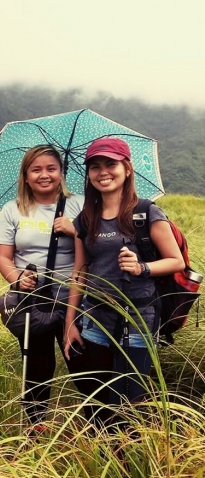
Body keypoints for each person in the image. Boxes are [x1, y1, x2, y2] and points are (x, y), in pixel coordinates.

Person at [63, 138, 184, 425]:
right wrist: (70, 323)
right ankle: (103, 455)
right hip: (96, 321)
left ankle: (130, 458)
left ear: (126, 168)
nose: (103, 172)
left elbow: (175, 261)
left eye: (110, 164)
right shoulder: (85, 219)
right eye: (95, 167)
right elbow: (80, 271)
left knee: (129, 400)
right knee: (100, 399)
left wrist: (141, 267)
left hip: (139, 318)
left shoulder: (145, 212)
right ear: (89, 175)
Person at [0, 144, 86, 429]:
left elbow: (96, 246)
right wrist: (17, 279)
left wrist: (75, 229)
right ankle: (34, 428)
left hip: (73, 296)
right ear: (26, 175)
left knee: (81, 360)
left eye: (51, 168)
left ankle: (100, 427)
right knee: (36, 365)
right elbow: (3, 256)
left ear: (61, 172)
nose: (44, 175)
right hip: (32, 297)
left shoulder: (80, 205)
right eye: (36, 169)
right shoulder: (13, 210)